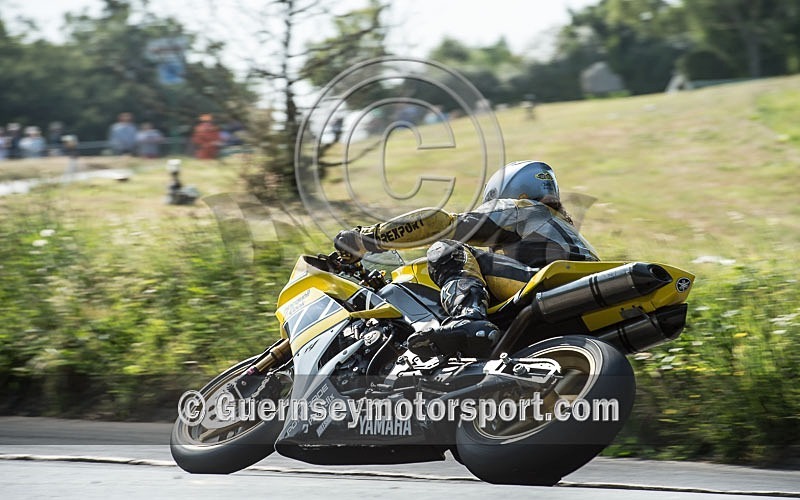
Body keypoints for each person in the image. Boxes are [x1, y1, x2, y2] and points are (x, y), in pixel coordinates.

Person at [334, 160, 599, 359]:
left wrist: (366, 239)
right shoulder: (563, 228)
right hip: (583, 300)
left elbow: (437, 223)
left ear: (507, 193)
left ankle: (468, 319)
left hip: (543, 284)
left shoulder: (521, 208)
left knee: (447, 248)